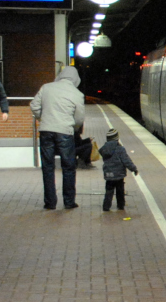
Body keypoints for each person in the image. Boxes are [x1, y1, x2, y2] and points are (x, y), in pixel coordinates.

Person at [30, 66, 86, 210]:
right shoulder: (77, 93)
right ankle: (69, 202)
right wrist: (73, 127)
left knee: (47, 167)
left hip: (46, 131)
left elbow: (34, 105)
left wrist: (43, 118)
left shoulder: (46, 87)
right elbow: (79, 118)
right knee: (68, 167)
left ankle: (50, 202)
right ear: (75, 79)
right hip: (65, 132)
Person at [97, 127, 138, 212]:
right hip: (119, 174)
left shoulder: (104, 149)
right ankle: (120, 205)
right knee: (120, 191)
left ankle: (106, 206)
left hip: (108, 174)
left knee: (109, 191)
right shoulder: (120, 149)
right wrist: (133, 169)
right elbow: (126, 161)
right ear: (117, 138)